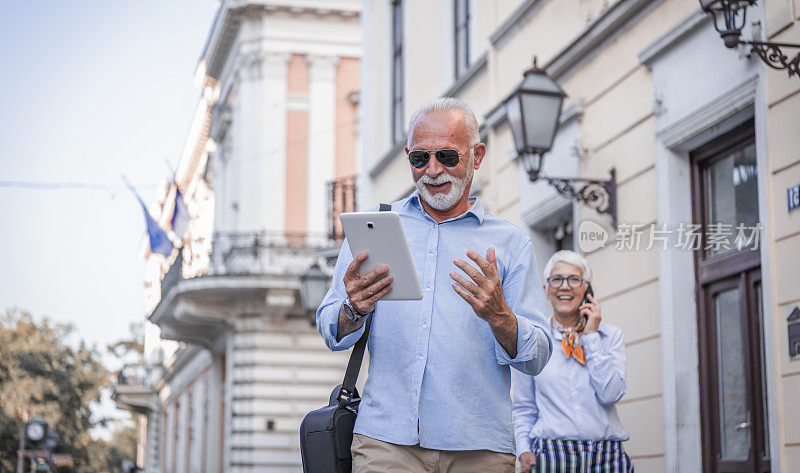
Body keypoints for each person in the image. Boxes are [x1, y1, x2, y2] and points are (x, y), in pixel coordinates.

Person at [316, 97, 552, 473]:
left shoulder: (511, 243)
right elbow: (331, 329)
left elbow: (537, 356)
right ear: (408, 157)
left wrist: (501, 317)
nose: (433, 170)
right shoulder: (374, 228)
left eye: (447, 156)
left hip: (479, 447)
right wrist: (353, 309)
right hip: (385, 442)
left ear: (477, 156)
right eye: (420, 159)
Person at [512, 250, 633, 473]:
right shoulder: (532, 341)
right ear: (546, 290)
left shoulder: (610, 336)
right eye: (557, 279)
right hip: (552, 454)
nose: (565, 287)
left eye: (574, 279)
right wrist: (523, 450)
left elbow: (611, 395)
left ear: (587, 289)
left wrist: (591, 337)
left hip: (607, 457)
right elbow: (523, 407)